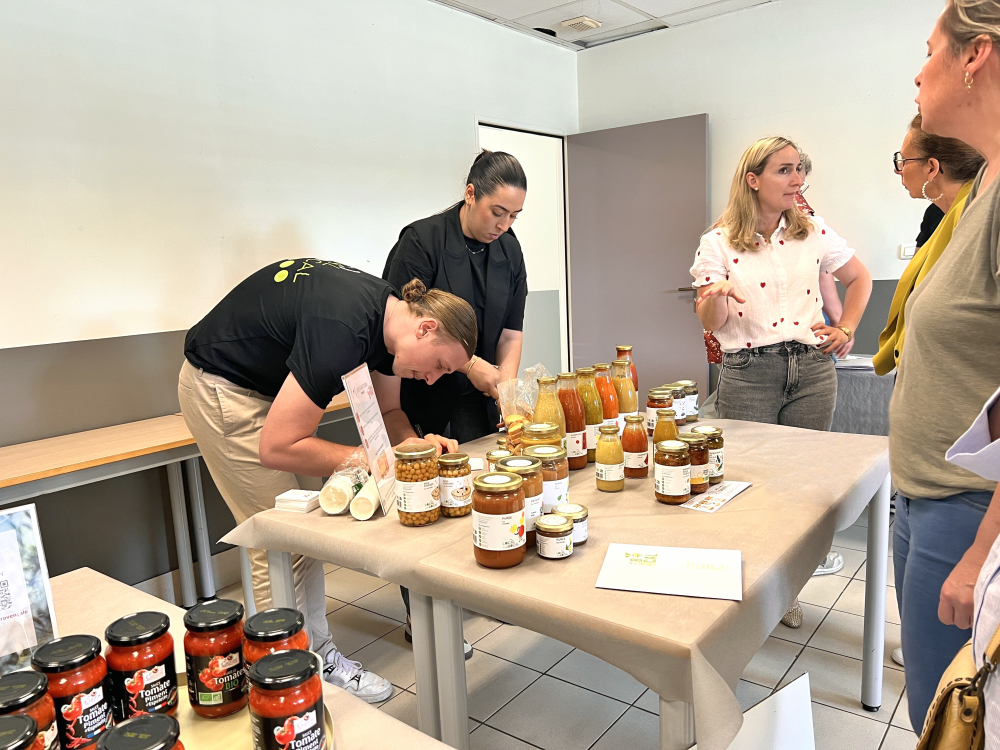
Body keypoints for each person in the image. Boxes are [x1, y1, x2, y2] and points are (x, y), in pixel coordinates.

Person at [179, 259, 476, 702]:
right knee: (282, 542)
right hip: (225, 390)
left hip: (265, 391)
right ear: (426, 328)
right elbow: (277, 447)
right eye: (438, 364)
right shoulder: (343, 329)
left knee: (304, 536)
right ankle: (293, 679)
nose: (432, 379)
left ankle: (307, 660)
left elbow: (390, 412)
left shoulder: (389, 320)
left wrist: (412, 449)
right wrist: (368, 460)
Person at [691, 136, 873, 628]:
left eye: (800, 170)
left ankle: (787, 590)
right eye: (785, 170)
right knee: (747, 484)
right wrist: (717, 294)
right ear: (753, 179)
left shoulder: (812, 231)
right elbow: (712, 321)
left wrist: (846, 328)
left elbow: (860, 278)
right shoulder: (718, 242)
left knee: (801, 488)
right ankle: (746, 589)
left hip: (812, 369)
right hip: (749, 372)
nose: (798, 180)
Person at [891, 0, 1000, 730]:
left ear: (975, 56)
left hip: (967, 509)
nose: (918, 72)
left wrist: (978, 553)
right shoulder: (982, 187)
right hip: (924, 494)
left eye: (931, 50)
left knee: (948, 721)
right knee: (931, 709)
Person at [383, 150, 528, 444]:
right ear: (470, 194)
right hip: (425, 393)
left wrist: (506, 391)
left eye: (513, 216)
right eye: (497, 213)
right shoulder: (422, 242)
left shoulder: (510, 250)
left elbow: (510, 334)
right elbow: (402, 330)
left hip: (479, 403)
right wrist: (471, 365)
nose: (504, 225)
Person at [875, 113, 985, 377]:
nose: (898, 169)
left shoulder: (975, 214)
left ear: (932, 168)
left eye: (904, 161)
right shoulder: (938, 214)